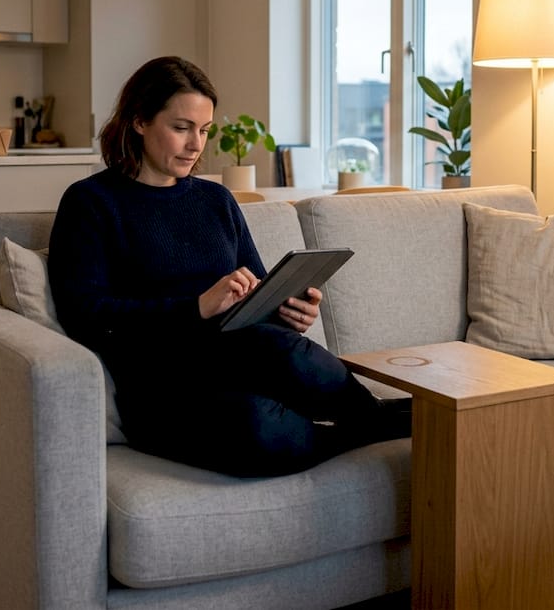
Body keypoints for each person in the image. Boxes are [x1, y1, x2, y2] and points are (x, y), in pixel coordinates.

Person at [47, 55, 408, 477]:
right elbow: (84, 315)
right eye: (181, 128)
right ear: (140, 121)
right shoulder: (91, 203)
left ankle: (380, 418)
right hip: (162, 386)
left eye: (203, 130)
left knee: (291, 351)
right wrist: (195, 307)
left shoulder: (215, 200)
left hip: (242, 360)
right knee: (257, 427)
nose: (196, 144)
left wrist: (289, 310)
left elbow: (257, 289)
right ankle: (377, 427)